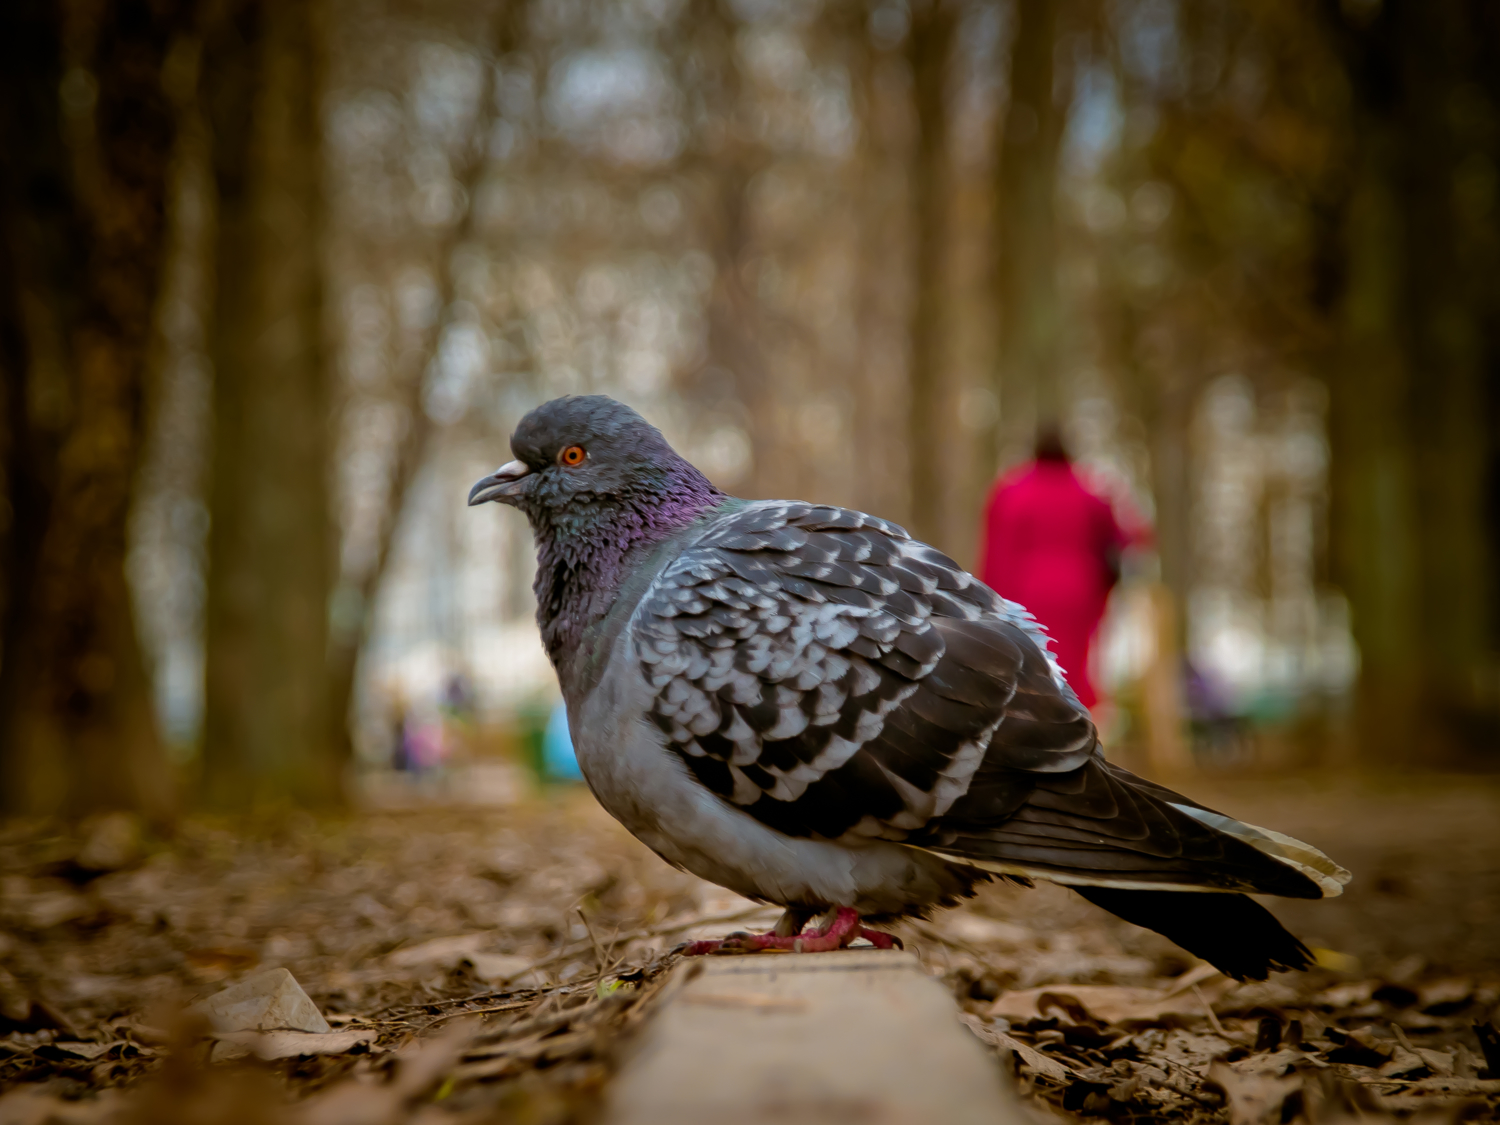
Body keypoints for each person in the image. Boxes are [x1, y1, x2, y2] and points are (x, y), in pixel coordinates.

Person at [977, 424, 1135, 710]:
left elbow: (995, 553)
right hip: (1078, 594)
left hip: (1024, 592)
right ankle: (1078, 727)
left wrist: (988, 602)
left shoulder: (1010, 492)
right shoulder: (1090, 494)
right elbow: (1121, 540)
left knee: (1027, 667)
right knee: (1074, 668)